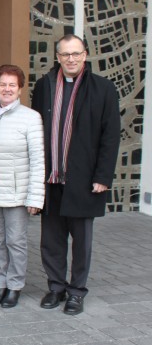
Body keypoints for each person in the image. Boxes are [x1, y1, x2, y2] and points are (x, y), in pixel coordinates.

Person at [32, 34, 120, 315]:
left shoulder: (103, 89)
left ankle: (76, 292)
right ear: (57, 57)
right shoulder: (44, 86)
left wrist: (103, 177)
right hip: (51, 179)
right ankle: (56, 287)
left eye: (76, 54)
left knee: (81, 241)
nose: (71, 59)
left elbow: (110, 137)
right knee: (51, 240)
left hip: (84, 179)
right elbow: (36, 132)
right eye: (65, 54)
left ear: (85, 55)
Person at [0, 65, 45, 308]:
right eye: (2, 84)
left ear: (19, 89)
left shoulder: (30, 117)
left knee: (15, 241)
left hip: (17, 193)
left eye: (12, 85)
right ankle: (1, 284)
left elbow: (38, 160)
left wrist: (35, 198)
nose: (6, 89)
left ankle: (15, 286)